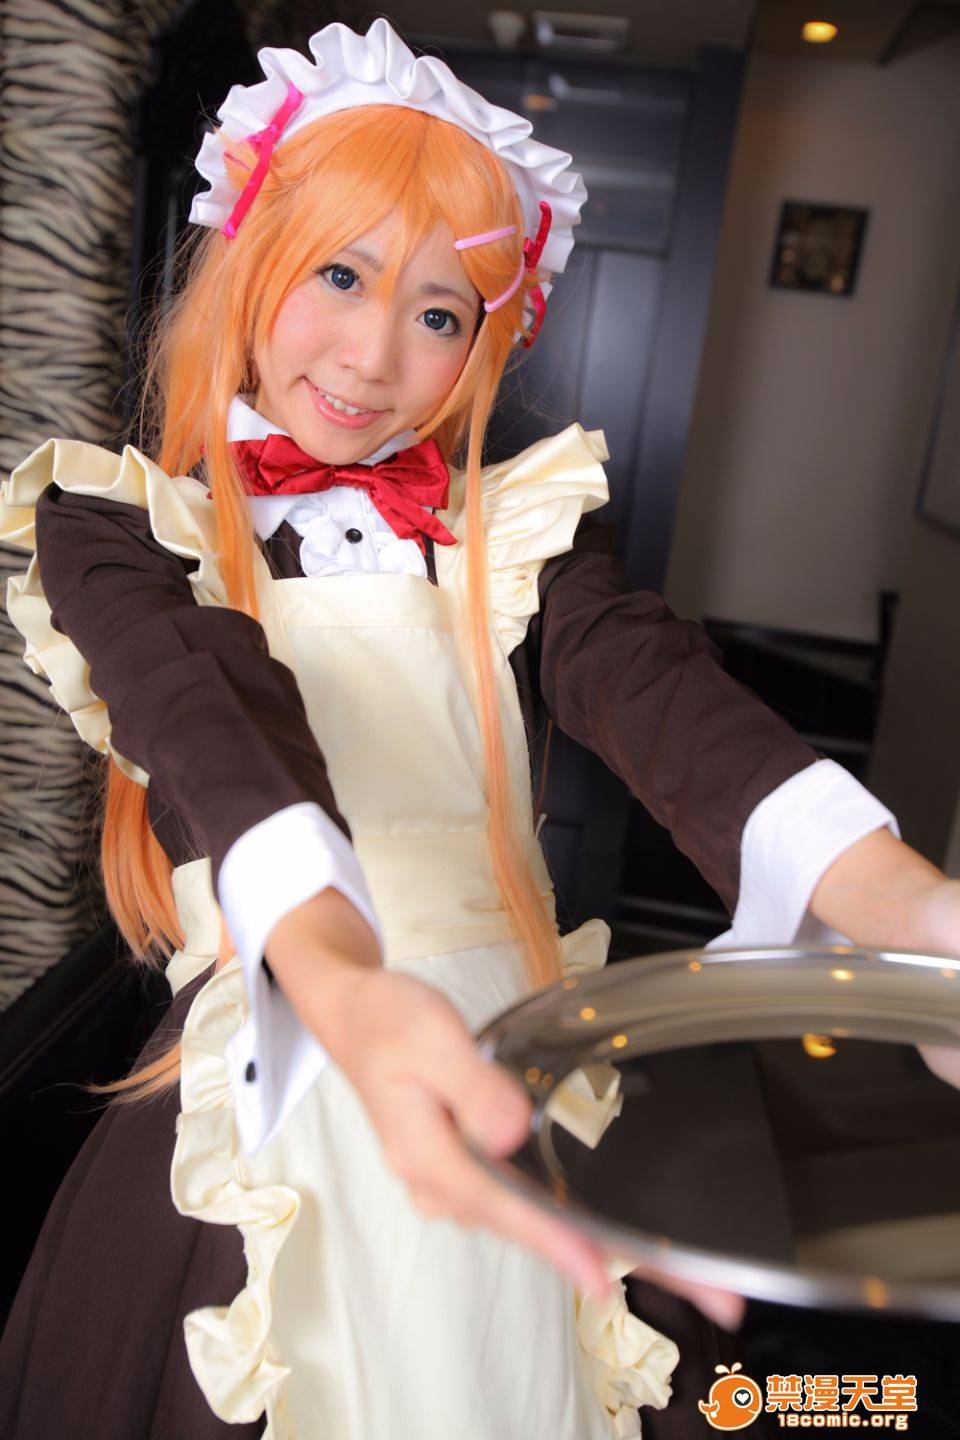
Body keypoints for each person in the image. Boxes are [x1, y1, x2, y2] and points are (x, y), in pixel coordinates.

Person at [2, 17, 959, 1440]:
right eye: (340, 274)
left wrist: (905, 904)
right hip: (294, 1045)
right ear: (253, 259)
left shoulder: (515, 538)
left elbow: (661, 691)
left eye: (441, 313)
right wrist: (340, 975)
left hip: (510, 1052)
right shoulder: (121, 528)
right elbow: (209, 714)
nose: (375, 354)